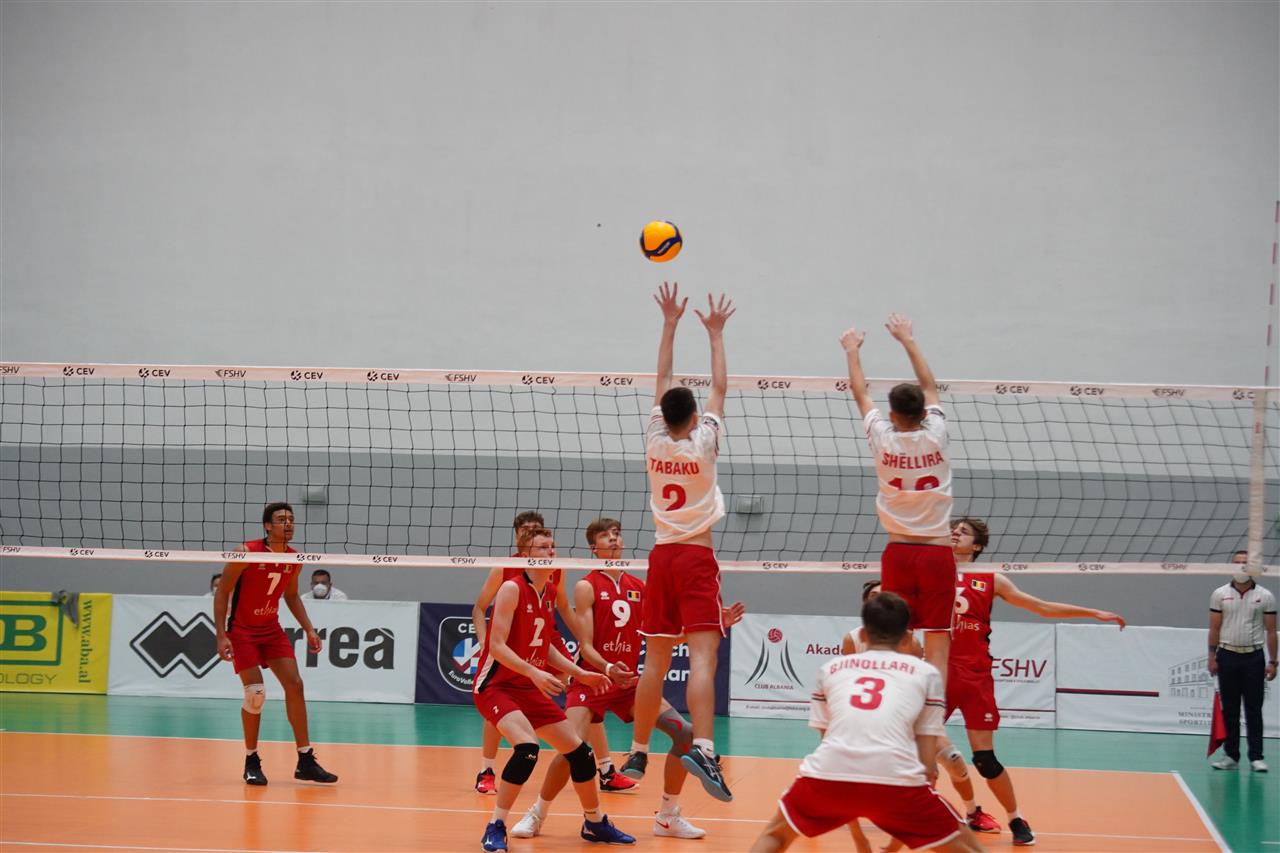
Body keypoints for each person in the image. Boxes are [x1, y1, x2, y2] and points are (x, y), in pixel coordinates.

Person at [512, 518, 744, 842]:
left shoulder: (640, 586)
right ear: (593, 548)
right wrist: (608, 668)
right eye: (605, 535)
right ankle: (537, 814)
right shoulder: (587, 586)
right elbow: (585, 646)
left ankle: (668, 816)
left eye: (617, 534)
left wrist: (714, 623)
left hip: (628, 685)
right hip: (593, 680)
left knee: (687, 735)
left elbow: (663, 639)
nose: (613, 538)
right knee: (572, 749)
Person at [749, 592, 981, 853]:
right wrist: (908, 825)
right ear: (907, 639)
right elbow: (927, 767)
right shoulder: (927, 673)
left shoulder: (831, 669)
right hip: (896, 779)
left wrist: (860, 835)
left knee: (775, 836)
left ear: (861, 635)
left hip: (827, 774)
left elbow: (828, 742)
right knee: (967, 845)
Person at [944, 516, 1126, 845]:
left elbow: (1041, 607)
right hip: (938, 671)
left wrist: (1092, 613)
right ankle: (950, 814)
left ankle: (1015, 818)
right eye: (952, 529)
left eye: (964, 531)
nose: (955, 532)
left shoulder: (992, 578)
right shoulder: (930, 571)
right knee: (916, 750)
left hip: (975, 674)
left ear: (978, 546)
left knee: (985, 760)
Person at [625, 282, 736, 803]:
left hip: (661, 556)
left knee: (654, 661)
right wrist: (715, 334)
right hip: (695, 556)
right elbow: (720, 388)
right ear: (694, 419)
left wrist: (668, 324)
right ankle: (706, 749)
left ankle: (637, 750)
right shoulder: (705, 442)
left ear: (664, 416)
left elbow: (662, 381)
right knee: (704, 659)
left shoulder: (653, 441)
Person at [473, 526, 634, 851]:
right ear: (526, 555)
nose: (551, 551)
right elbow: (497, 646)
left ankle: (594, 822)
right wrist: (533, 672)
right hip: (496, 686)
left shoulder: (549, 588)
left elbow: (545, 645)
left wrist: (581, 673)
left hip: (527, 687)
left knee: (582, 754)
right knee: (527, 749)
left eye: (552, 546)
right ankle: (496, 826)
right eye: (543, 547)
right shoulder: (511, 589)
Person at [840, 315, 955, 684]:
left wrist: (852, 351)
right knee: (938, 644)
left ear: (892, 414)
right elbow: (930, 386)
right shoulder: (937, 432)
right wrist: (908, 340)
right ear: (924, 412)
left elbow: (860, 394)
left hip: (899, 552)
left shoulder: (882, 438)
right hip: (937, 552)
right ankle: (932, 712)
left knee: (895, 638)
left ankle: (894, 700)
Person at [213, 502, 338, 787]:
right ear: (267, 526)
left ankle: (305, 760)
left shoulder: (294, 558)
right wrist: (221, 634)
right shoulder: (246, 551)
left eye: (291, 519)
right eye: (281, 519)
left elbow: (291, 596)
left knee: (295, 685)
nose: (288, 524)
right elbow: (223, 592)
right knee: (255, 693)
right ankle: (251, 760)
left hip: (271, 630)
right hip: (242, 631)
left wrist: (309, 629)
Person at [1208, 549, 1277, 773]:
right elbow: (1214, 627)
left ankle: (1256, 757)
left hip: (1253, 657)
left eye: (1245, 563)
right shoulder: (1219, 594)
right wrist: (1212, 656)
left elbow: (1271, 631)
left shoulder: (1265, 596)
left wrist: (1273, 661)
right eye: (1237, 563)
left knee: (1253, 709)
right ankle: (1231, 755)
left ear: (1252, 567)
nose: (1241, 567)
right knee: (1230, 709)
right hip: (1227, 655)